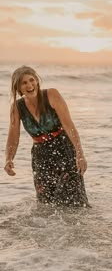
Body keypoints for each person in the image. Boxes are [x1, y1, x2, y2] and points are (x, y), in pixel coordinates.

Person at [4, 66, 89, 207]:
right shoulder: (17, 107)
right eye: (24, 83)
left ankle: (79, 228)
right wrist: (8, 159)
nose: (30, 85)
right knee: (46, 203)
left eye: (32, 80)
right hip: (41, 155)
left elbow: (69, 126)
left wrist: (80, 154)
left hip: (64, 150)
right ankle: (51, 230)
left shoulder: (52, 95)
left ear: (37, 81)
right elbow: (13, 137)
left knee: (74, 201)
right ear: (18, 88)